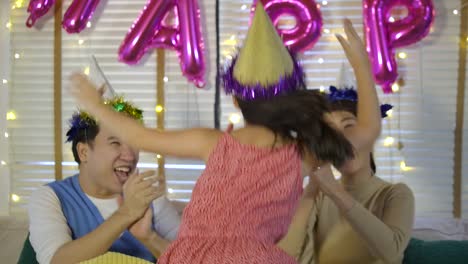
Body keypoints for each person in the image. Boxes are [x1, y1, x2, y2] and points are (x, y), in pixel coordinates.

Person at [67, 3, 355, 264]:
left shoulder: (215, 143)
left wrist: (95, 105)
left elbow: (141, 137)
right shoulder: (301, 153)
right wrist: (362, 68)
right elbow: (364, 133)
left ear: (235, 101)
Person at [279, 19, 415, 264]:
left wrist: (335, 192)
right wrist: (311, 191)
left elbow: (391, 251)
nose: (341, 139)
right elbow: (284, 257)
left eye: (349, 126)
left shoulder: (394, 195)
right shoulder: (318, 197)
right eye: (331, 132)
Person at [28, 96, 181, 264]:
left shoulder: (149, 196)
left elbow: (193, 257)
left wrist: (149, 238)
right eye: (115, 142)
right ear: (84, 152)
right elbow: (55, 261)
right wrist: (127, 213)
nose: (130, 156)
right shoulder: (50, 197)